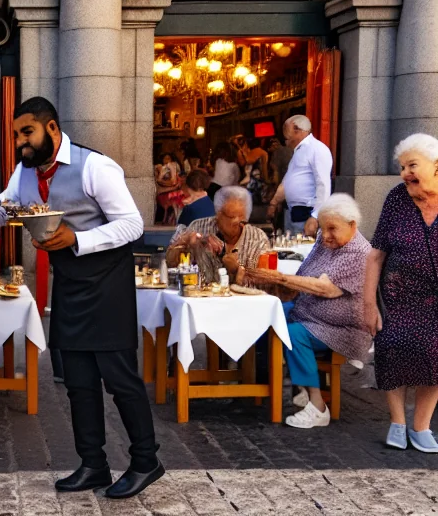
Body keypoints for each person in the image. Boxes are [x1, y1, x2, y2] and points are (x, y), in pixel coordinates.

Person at [0, 96, 162, 499]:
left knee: (120, 379)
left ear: (51, 128)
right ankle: (93, 464)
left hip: (107, 283)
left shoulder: (95, 166)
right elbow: (3, 213)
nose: (20, 142)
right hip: (69, 282)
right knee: (77, 381)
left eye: (26, 132)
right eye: (16, 135)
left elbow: (132, 225)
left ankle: (146, 461)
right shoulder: (25, 173)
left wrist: (78, 239)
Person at [241, 193, 371, 429]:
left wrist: (281, 278)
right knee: (267, 313)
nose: (325, 235)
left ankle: (317, 406)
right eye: (323, 228)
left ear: (352, 225)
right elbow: (306, 271)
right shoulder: (325, 240)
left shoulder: (359, 253)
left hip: (342, 328)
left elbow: (325, 289)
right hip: (309, 311)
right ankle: (263, 383)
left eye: (332, 229)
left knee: (294, 333)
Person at [363, 134, 438, 453]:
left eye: (412, 166)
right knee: (393, 349)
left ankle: (421, 426)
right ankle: (397, 422)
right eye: (402, 167)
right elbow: (376, 254)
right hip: (399, 294)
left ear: (436, 166)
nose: (405, 173)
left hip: (435, 299)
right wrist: (369, 304)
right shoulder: (396, 198)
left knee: (435, 357)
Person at [168, 185, 270, 284]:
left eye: (242, 219)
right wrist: (187, 243)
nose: (237, 222)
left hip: (242, 295)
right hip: (201, 294)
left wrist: (237, 270)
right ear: (218, 214)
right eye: (231, 217)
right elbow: (169, 263)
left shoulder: (258, 238)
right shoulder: (198, 227)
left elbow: (265, 283)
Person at [267, 115, 332, 237]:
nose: (284, 137)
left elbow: (323, 185)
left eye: (286, 130)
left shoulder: (317, 149)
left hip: (307, 212)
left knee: (303, 246)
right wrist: (274, 202)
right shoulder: (299, 152)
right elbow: (288, 181)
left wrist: (315, 216)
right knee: (291, 245)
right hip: (292, 212)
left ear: (297, 129)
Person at [155, 153, 185, 224]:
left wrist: (169, 183)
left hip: (171, 191)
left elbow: (174, 182)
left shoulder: (173, 167)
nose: (167, 160)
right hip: (163, 192)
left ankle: (176, 218)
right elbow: (159, 181)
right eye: (165, 158)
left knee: (177, 195)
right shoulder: (159, 168)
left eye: (169, 158)